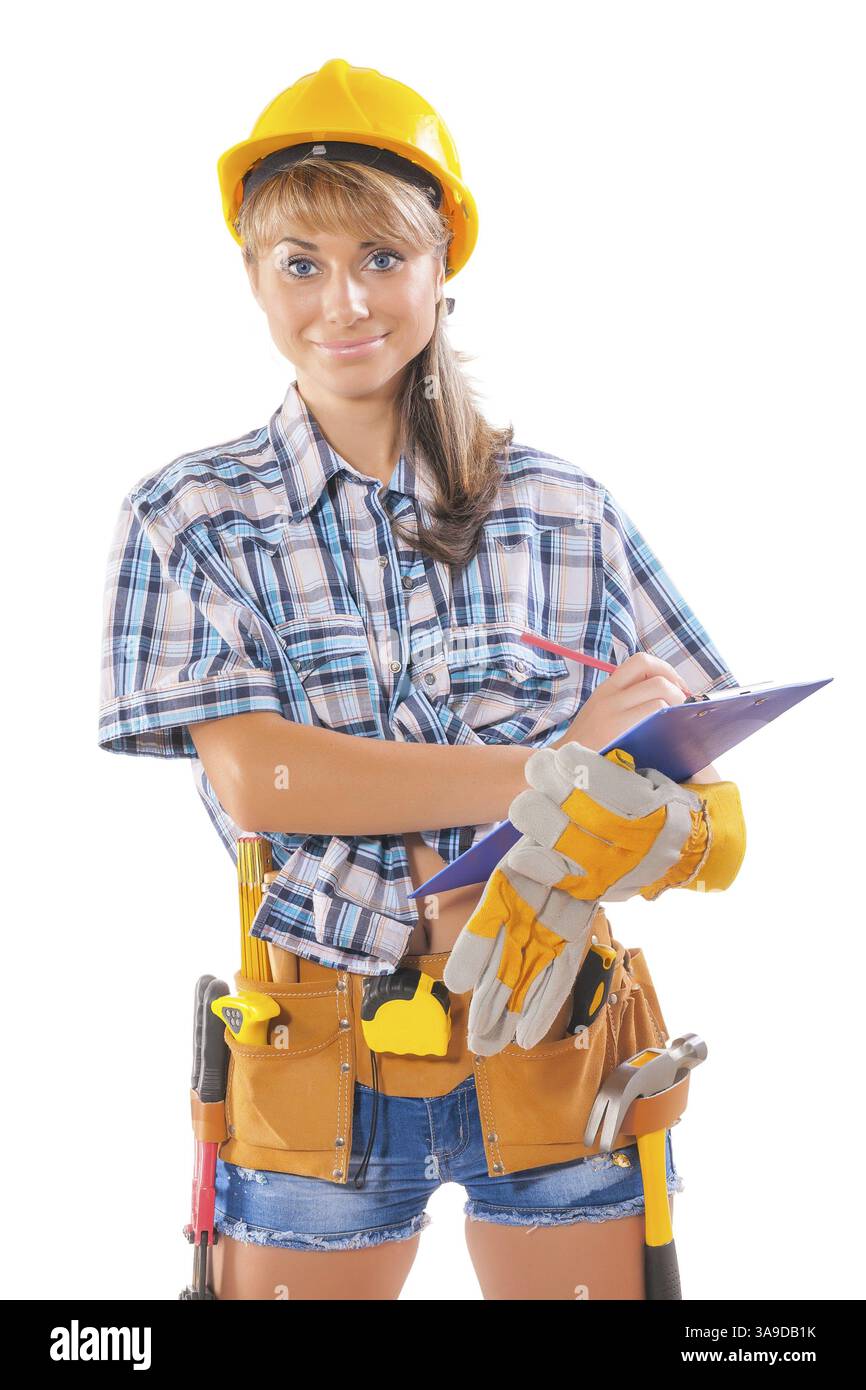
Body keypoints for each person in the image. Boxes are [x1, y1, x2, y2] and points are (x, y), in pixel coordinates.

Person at [98, 58, 746, 1300]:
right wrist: (562, 771)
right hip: (317, 1054)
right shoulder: (193, 518)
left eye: (380, 258)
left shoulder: (562, 510)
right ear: (251, 277)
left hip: (554, 1030)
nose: (342, 301)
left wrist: (669, 818)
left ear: (440, 262)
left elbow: (694, 740)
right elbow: (267, 781)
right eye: (299, 263)